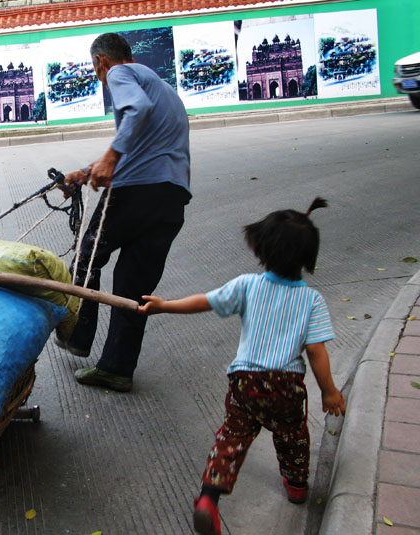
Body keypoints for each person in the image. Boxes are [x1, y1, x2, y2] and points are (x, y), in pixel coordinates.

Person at [138, 198, 345, 535]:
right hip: (285, 384)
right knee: (292, 436)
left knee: (231, 438)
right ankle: (296, 486)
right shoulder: (312, 300)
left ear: (262, 251)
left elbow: (205, 301)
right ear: (308, 258)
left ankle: (209, 498)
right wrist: (330, 391)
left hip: (244, 381)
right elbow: (316, 352)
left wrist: (164, 306)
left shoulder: (248, 285)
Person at [56, 32, 191, 392]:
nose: (102, 79)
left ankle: (78, 336)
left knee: (88, 254)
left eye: (96, 71)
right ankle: (116, 368)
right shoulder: (160, 86)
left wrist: (112, 157)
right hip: (171, 198)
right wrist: (86, 172)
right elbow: (142, 140)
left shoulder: (119, 73)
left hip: (138, 191)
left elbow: (136, 111)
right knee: (133, 288)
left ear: (101, 61)